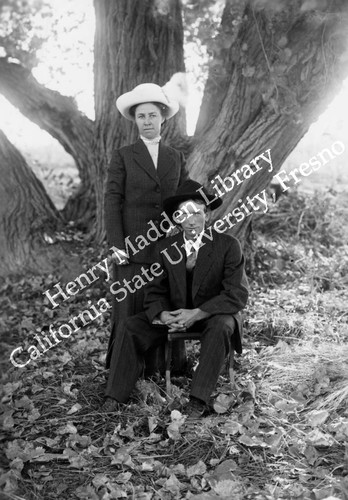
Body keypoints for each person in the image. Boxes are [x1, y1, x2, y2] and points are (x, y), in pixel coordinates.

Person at [103, 180, 249, 417]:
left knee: (222, 325)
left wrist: (198, 313)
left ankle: (197, 400)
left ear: (207, 214)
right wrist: (163, 314)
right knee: (132, 326)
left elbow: (237, 294)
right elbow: (154, 291)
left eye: (197, 213)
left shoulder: (228, 245)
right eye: (184, 215)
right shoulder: (166, 248)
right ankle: (114, 395)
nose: (192, 221)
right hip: (177, 316)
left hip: (214, 314)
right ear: (178, 219)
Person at [104, 83, 189, 370]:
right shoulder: (124, 155)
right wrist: (117, 245)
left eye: (152, 115)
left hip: (166, 247)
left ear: (163, 117)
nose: (148, 122)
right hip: (131, 248)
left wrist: (183, 233)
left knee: (162, 305)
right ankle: (124, 370)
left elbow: (183, 200)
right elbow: (112, 200)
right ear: (135, 120)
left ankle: (163, 370)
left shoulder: (175, 157)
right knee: (129, 309)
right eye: (142, 116)